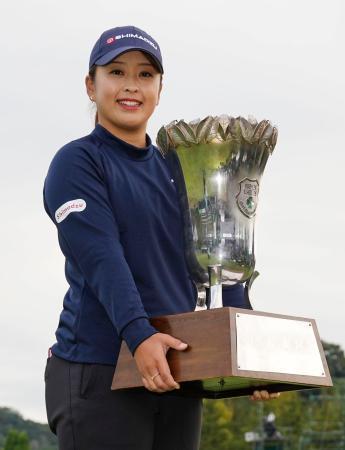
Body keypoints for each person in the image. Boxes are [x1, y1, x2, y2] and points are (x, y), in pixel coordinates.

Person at [43, 25, 279, 450]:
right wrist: (139, 333)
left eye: (145, 75)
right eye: (116, 72)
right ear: (90, 86)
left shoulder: (180, 168)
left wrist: (248, 348)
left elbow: (216, 252)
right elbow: (101, 257)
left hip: (176, 369)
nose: (131, 86)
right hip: (101, 369)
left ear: (160, 87)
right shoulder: (77, 162)